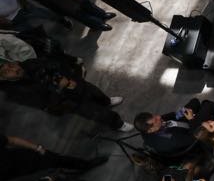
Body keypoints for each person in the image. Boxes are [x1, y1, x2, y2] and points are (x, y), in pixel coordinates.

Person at [0, 56, 131, 132]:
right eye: (7, 72)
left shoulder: (30, 63)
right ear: (3, 78)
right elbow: (46, 104)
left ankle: (107, 102)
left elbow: (55, 63)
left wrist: (69, 78)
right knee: (96, 112)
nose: (13, 69)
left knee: (96, 93)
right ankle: (118, 124)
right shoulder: (16, 92)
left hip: (74, 84)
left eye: (10, 65)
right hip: (67, 101)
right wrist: (60, 88)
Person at [0, 133, 107, 181]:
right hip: (28, 179)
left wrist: (38, 148)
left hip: (32, 158)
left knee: (61, 160)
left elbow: (12, 140)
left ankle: (86, 165)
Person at [134, 98, 214, 156]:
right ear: (151, 130)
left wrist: (180, 113)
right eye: (155, 120)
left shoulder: (148, 128)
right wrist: (191, 119)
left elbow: (171, 115)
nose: (159, 117)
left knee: (195, 101)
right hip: (191, 133)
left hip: (180, 124)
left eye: (155, 116)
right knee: (207, 105)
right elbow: (192, 138)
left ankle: (207, 114)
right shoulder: (170, 140)